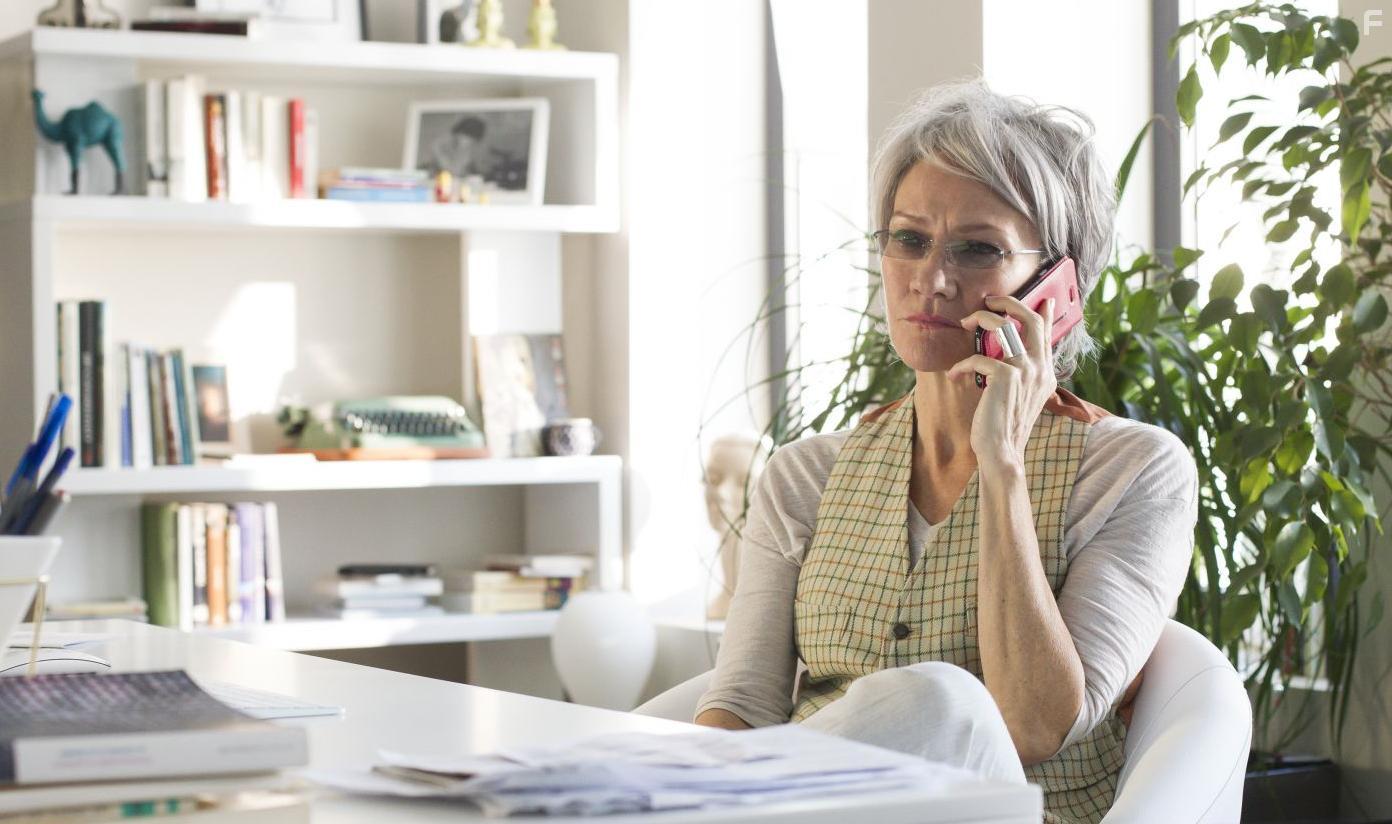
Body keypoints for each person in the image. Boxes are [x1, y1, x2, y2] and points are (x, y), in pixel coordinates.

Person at [691, 80, 1199, 824]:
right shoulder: (805, 474)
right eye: (909, 239)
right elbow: (740, 708)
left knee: (944, 704)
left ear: (1057, 289)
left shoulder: (1135, 470)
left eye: (977, 249)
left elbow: (1030, 726)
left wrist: (1003, 467)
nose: (931, 279)